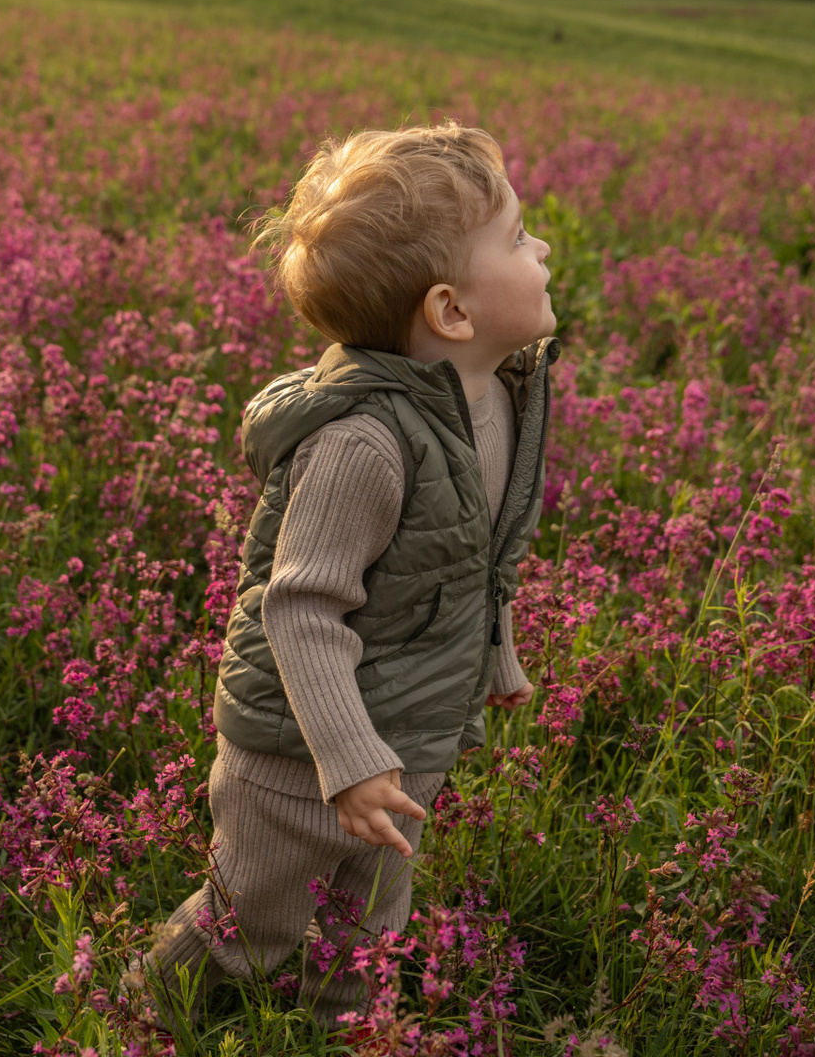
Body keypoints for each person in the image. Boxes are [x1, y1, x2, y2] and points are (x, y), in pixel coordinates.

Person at [143, 121, 560, 1034]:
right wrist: (348, 760)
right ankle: (136, 1015)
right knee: (249, 924)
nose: (542, 251)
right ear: (452, 312)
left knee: (369, 927)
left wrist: (493, 658)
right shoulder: (362, 444)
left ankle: (348, 1033)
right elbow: (299, 609)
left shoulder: (496, 404)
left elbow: (477, 564)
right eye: (519, 237)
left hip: (406, 737)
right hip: (298, 754)